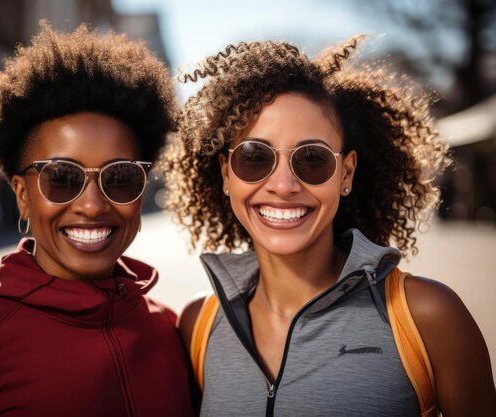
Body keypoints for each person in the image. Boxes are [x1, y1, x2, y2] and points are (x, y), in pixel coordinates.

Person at [163, 37, 496, 416]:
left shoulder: (428, 316)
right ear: (226, 173)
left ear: (346, 173)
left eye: (312, 159)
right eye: (255, 157)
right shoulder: (198, 327)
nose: (284, 185)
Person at [0, 22, 195, 417]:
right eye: (62, 178)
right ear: (22, 196)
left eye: (119, 177)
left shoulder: (168, 330)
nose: (92, 205)